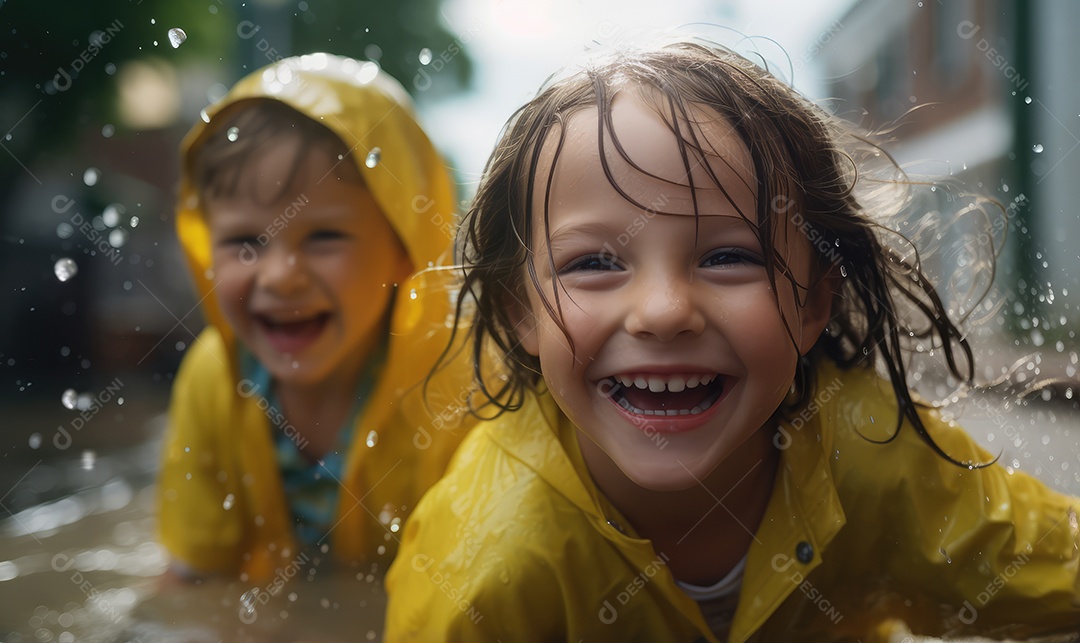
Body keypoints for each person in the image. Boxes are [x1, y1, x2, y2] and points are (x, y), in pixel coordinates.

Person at [384, 41, 1080, 641]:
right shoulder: (484, 565)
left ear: (813, 300)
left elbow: (1056, 570)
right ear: (519, 312)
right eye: (595, 263)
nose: (662, 310)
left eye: (727, 257)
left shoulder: (867, 448)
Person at [158, 53, 473, 582]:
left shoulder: (459, 382)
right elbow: (193, 579)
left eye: (324, 237)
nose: (280, 276)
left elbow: (482, 594)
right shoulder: (215, 378)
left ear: (405, 250)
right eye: (244, 242)